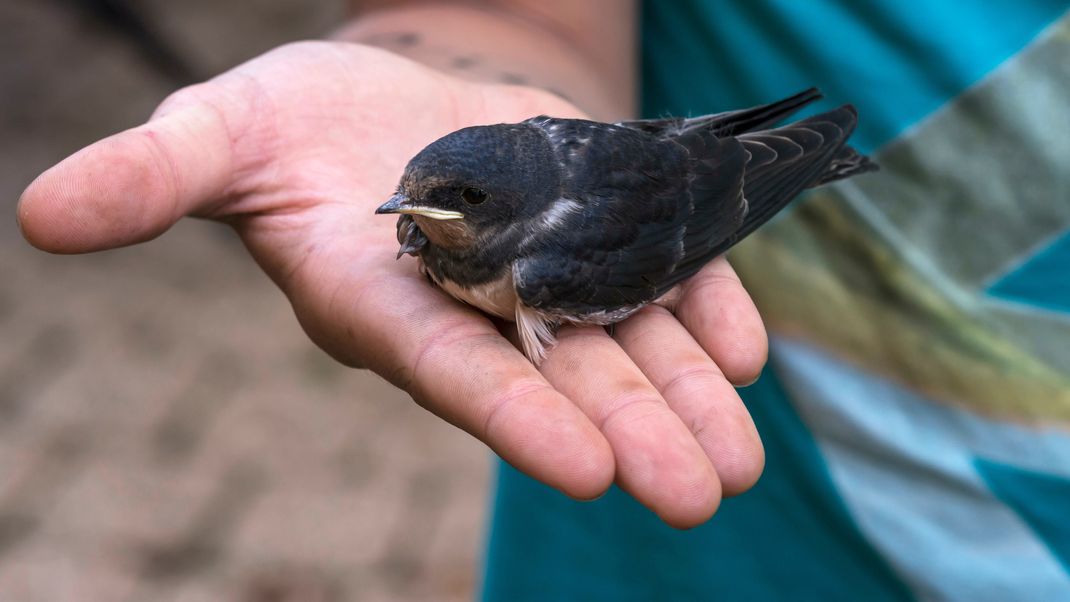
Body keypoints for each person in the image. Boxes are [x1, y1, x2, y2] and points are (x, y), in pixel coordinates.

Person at [18, 1, 1070, 600]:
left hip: (693, 197)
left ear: (506, 205)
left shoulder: (554, 260)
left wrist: (778, 155)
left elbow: (685, 190)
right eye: (415, 197)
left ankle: (816, 150)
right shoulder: (451, 216)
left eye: (448, 204)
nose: (410, 215)